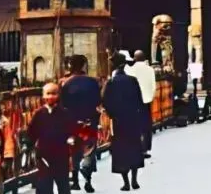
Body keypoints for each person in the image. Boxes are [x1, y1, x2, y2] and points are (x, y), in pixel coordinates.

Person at [103, 52, 146, 191]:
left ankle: (126, 182)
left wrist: (112, 114)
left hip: (118, 121)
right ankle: (135, 179)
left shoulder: (111, 83)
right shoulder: (132, 80)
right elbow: (140, 101)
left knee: (121, 150)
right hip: (133, 119)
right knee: (134, 147)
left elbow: (105, 101)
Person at [60, 54, 102, 193]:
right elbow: (97, 100)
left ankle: (75, 181)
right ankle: (88, 179)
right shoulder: (93, 82)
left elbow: (63, 104)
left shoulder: (66, 84)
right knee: (89, 149)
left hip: (72, 121)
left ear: (71, 66)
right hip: (89, 120)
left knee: (74, 150)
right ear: (84, 65)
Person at [25, 82, 77, 194]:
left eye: (54, 93)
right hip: (44, 155)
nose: (51, 96)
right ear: (43, 95)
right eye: (48, 93)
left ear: (59, 95)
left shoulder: (64, 113)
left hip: (61, 154)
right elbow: (32, 132)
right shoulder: (39, 114)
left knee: (63, 184)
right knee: (44, 185)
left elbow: (72, 130)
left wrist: (71, 139)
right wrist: (28, 144)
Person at [125, 50, 156, 158]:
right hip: (146, 101)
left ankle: (135, 148)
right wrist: (150, 97)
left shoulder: (130, 69)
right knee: (146, 126)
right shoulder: (150, 69)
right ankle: (145, 149)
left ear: (135, 58)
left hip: (134, 101)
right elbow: (153, 86)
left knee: (135, 125)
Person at [0, 94, 24, 181]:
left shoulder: (4, 120)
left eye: (3, 108)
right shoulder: (1, 120)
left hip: (6, 149)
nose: (3, 110)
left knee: (6, 169)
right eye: (2, 109)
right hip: (4, 149)